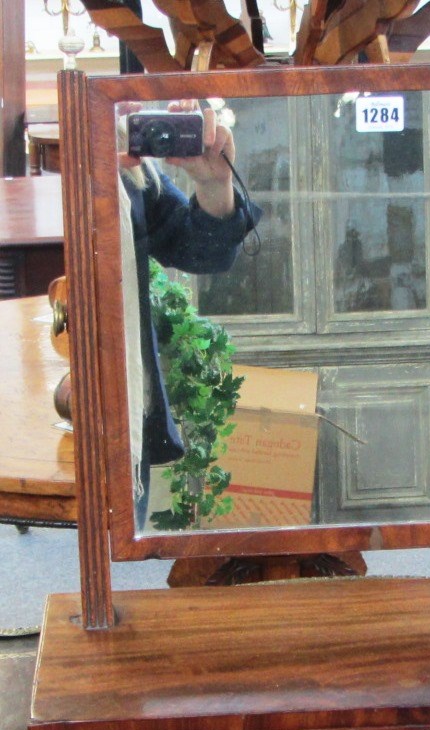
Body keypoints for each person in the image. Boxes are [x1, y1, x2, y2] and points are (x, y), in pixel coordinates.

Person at [118, 102, 259, 525]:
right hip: (40, 394)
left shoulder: (127, 166)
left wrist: (214, 183)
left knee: (112, 564)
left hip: (124, 408)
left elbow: (203, 251)